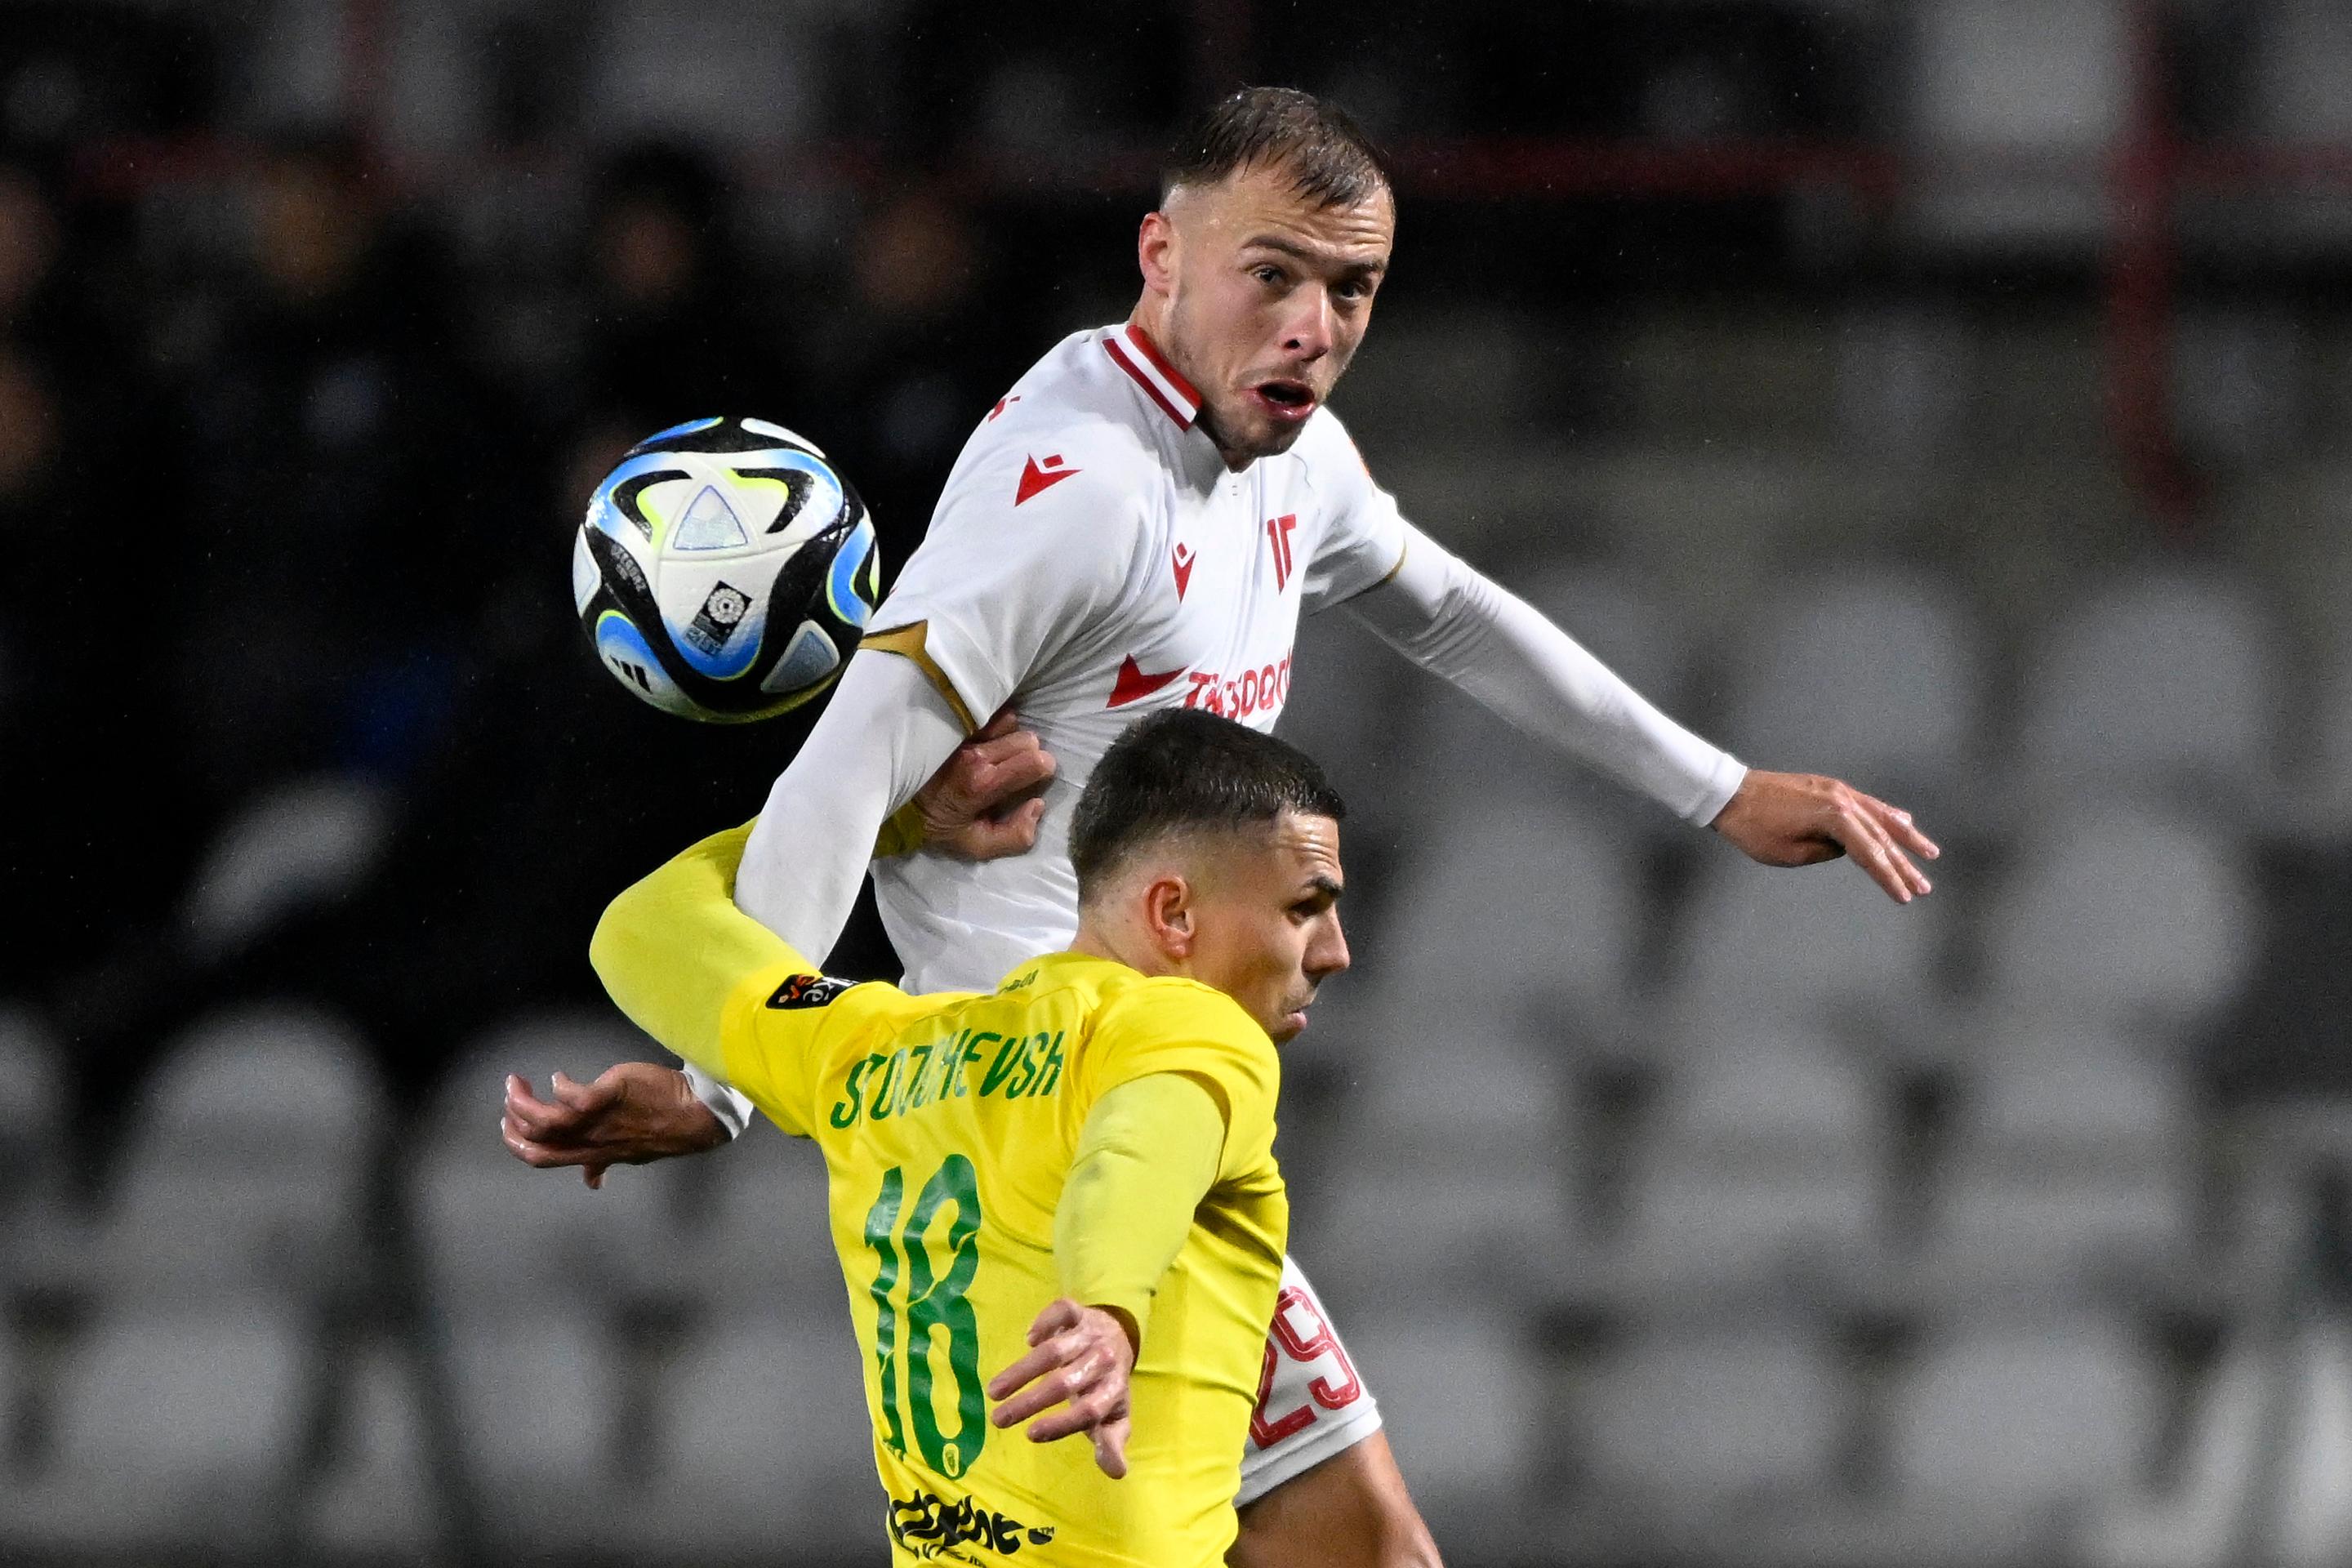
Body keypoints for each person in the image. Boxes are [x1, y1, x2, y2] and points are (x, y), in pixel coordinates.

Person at [506, 86, 1941, 1566]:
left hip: (1138, 1084)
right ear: (1161, 258)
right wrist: (723, 1088)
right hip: (1039, 1109)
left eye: (1352, 288)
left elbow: (1447, 611)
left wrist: (1718, 788)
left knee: (1358, 1549)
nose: (1314, 326)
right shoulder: (1073, 493)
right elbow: (840, 774)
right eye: (1275, 276)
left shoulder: (1288, 459)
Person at [567, 710, 1348, 1563]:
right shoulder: (1191, 1029)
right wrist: (1111, 1309)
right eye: (1306, 908)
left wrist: (880, 821)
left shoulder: (875, 1049)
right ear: (1174, 914)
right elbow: (1138, 1152)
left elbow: (646, 926)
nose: (1334, 951)